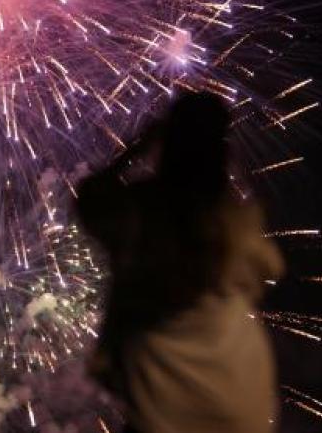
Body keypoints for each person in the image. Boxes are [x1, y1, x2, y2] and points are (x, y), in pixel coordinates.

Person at [76, 91, 285, 433]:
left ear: (168, 144)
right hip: (241, 400)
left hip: (161, 406)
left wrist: (141, 145)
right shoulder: (236, 220)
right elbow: (270, 269)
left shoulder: (136, 213)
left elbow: (89, 198)